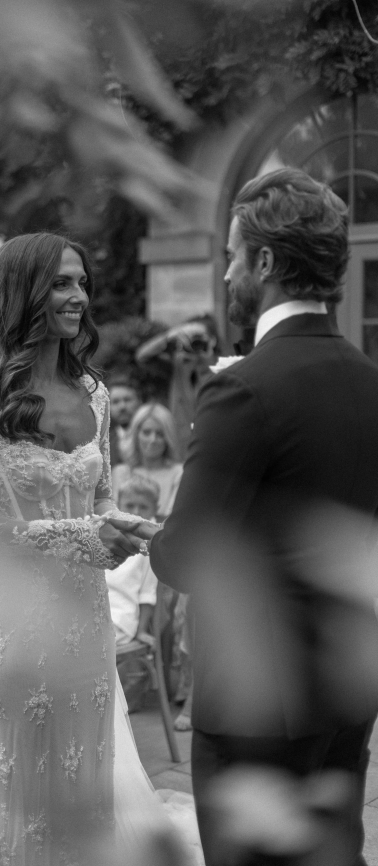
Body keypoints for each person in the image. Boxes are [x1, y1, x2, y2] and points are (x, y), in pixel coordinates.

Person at [0, 233, 200, 866]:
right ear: (23, 291)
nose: (79, 296)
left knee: (88, 805)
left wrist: (128, 526)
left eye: (82, 282)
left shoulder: (95, 392)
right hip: (14, 633)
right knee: (23, 815)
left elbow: (101, 497)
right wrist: (83, 535)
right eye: (62, 282)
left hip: (86, 629)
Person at [149, 168, 378, 866]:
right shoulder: (372, 384)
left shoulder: (242, 388)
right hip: (346, 694)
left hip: (255, 711)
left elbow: (183, 556)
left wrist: (154, 536)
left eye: (230, 254)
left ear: (265, 262)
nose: (224, 273)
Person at [107, 474, 159, 712]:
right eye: (130, 506)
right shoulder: (106, 532)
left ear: (155, 509)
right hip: (96, 607)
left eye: (143, 507)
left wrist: (142, 631)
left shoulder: (150, 546)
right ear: (117, 504)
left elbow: (147, 594)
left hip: (121, 617)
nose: (136, 511)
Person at [135, 317, 218, 461]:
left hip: (211, 442)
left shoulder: (221, 367)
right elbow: (143, 357)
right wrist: (168, 337)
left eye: (200, 338)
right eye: (191, 338)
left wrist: (207, 357)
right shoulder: (176, 365)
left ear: (212, 339)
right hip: (180, 444)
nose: (195, 343)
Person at [112, 402, 183, 519]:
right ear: (136, 434)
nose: (153, 439)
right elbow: (113, 517)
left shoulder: (179, 473)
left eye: (160, 434)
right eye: (146, 432)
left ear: (168, 438)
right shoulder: (121, 472)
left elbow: (174, 520)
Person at [108, 375, 141, 467]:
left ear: (139, 401)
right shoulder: (104, 442)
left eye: (127, 400)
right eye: (115, 402)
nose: (122, 406)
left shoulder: (152, 435)